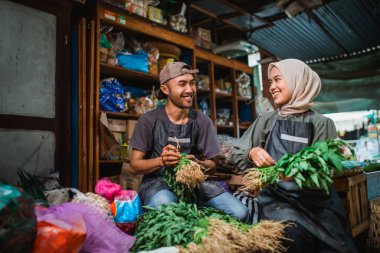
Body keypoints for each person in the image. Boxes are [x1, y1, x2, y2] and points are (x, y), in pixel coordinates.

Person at [230, 59, 356, 252]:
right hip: (276, 202)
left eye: (277, 80)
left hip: (316, 205)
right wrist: (251, 151)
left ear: (297, 80)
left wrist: (294, 175)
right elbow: (235, 152)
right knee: (288, 235)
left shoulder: (322, 123)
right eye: (270, 82)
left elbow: (322, 170)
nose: (272, 87)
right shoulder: (266, 120)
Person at [129, 62, 248, 221]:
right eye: (182, 84)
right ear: (165, 90)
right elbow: (135, 166)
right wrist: (161, 161)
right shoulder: (149, 120)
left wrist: (198, 164)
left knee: (240, 212)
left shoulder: (202, 121)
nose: (190, 89)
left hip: (194, 184)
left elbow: (212, 165)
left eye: (192, 83)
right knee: (166, 206)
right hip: (158, 183)